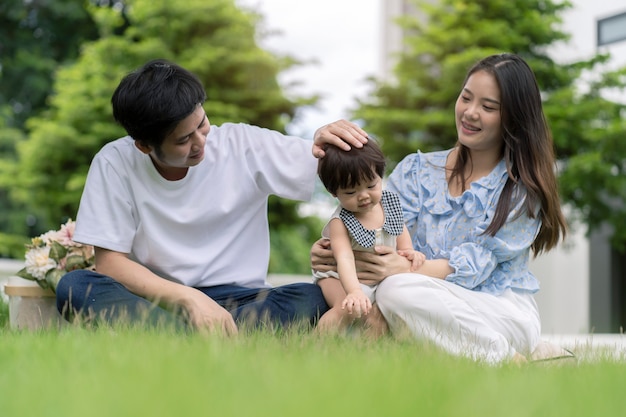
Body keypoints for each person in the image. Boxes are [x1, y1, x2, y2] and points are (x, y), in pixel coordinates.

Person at [55, 58, 368, 334]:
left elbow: (328, 164)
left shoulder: (242, 144)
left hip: (241, 300)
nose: (200, 142)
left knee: (309, 298)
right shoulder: (114, 163)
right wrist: (191, 299)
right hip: (158, 299)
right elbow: (110, 263)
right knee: (77, 287)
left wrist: (325, 140)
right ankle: (205, 338)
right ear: (145, 145)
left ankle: (171, 340)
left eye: (202, 124)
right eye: (183, 139)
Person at [311, 53, 570, 363]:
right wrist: (332, 251)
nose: (470, 113)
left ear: (513, 118)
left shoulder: (520, 188)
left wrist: (403, 268)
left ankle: (508, 360)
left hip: (498, 308)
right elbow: (365, 220)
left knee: (397, 291)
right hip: (414, 300)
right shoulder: (414, 170)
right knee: (363, 309)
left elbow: (480, 265)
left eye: (488, 107)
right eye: (466, 98)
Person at [313, 140, 424, 335]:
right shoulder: (340, 221)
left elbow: (399, 228)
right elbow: (344, 258)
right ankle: (313, 347)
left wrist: (407, 250)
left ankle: (367, 355)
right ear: (333, 192)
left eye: (371, 185)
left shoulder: (389, 203)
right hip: (340, 277)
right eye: (350, 192)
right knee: (346, 309)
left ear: (380, 177)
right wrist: (354, 291)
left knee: (377, 318)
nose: (363, 196)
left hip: (375, 277)